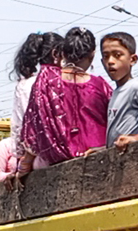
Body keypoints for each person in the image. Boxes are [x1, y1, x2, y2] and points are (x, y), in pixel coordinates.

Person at [18, 27, 113, 177]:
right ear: (93, 54)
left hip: (58, 164)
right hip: (100, 159)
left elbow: (34, 130)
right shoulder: (100, 85)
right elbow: (116, 120)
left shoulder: (46, 82)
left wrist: (25, 165)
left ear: (63, 53)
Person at [10, 32, 63, 160]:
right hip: (56, 152)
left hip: (32, 156)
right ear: (56, 54)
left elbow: (18, 126)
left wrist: (21, 157)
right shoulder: (60, 81)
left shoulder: (24, 85)